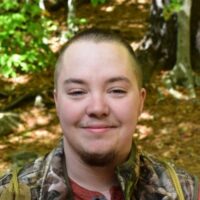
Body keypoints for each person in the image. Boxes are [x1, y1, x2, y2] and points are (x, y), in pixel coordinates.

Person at [0, 28, 199, 200]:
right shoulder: (9, 194)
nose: (97, 108)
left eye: (116, 90)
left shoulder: (186, 192)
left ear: (141, 101)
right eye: (77, 92)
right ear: (57, 103)